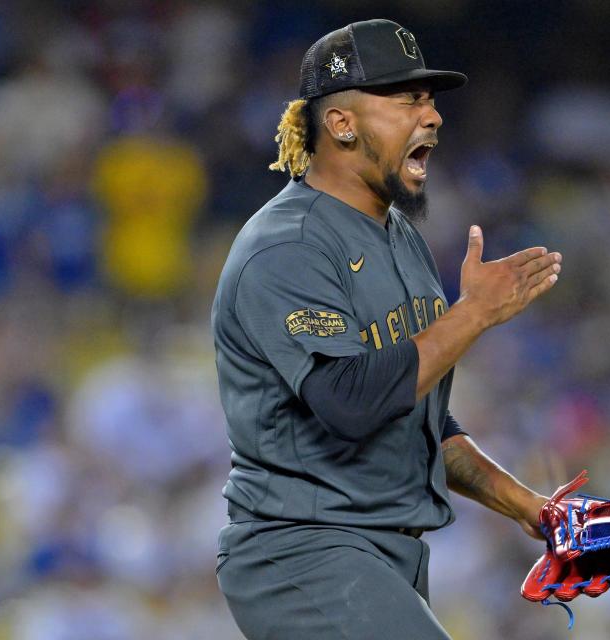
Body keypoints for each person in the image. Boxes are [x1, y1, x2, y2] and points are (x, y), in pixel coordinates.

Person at [211, 19, 562, 639]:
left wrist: (527, 505)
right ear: (342, 124)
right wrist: (474, 312)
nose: (431, 117)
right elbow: (352, 402)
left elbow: (417, 418)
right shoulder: (288, 247)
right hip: (303, 554)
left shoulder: (399, 237)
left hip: (382, 557)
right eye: (406, 100)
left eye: (429, 100)